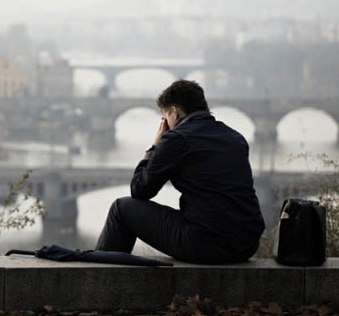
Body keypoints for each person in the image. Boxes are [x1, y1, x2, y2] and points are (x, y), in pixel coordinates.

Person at [95, 79, 265, 264]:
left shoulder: (178, 139)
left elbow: (140, 190)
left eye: (165, 117)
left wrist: (154, 146)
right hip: (246, 244)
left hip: (204, 243)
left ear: (174, 112)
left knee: (121, 209)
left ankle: (99, 279)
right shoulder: (235, 138)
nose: (166, 123)